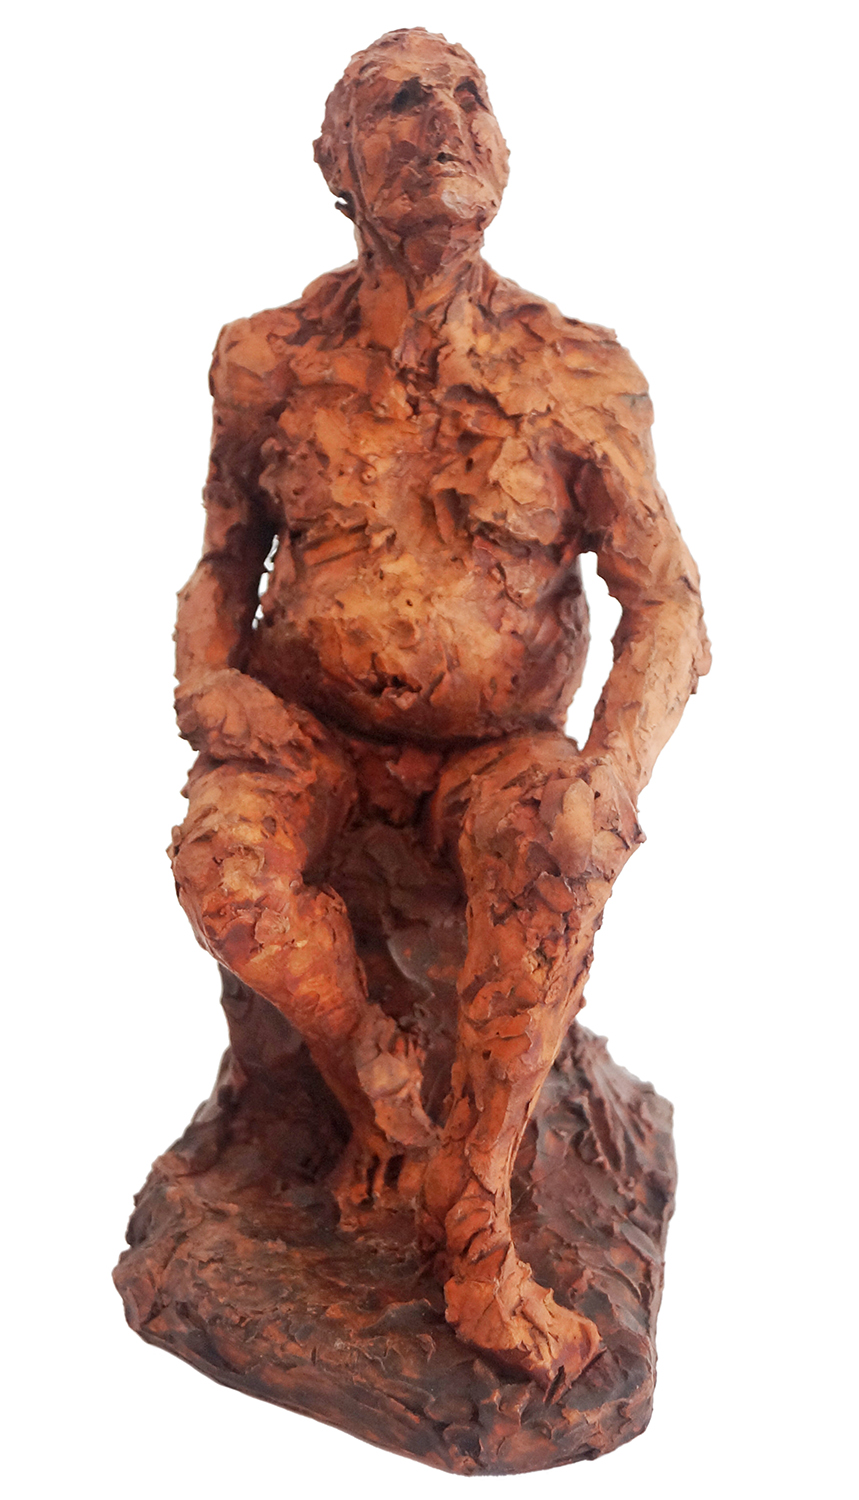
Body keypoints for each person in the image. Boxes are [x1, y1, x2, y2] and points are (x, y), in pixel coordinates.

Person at [171, 27, 710, 1388]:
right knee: (222, 869)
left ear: (505, 152)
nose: (444, 122)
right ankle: (370, 1069)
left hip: (499, 750)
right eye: (400, 102)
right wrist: (209, 682)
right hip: (308, 738)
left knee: (555, 857)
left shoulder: (576, 369)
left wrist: (608, 781)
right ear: (338, 163)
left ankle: (476, 1236)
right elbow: (223, 560)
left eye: (470, 96)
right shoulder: (264, 357)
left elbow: (669, 607)